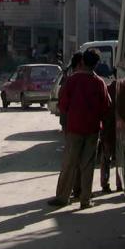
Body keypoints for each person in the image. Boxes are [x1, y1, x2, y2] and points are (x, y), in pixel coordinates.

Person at [49, 48, 110, 210]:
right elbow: (106, 106)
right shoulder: (99, 83)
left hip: (74, 128)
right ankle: (85, 200)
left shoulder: (72, 80)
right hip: (92, 129)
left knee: (69, 163)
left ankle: (62, 197)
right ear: (96, 64)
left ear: (82, 62)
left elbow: (62, 104)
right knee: (87, 164)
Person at [99, 78, 121, 193]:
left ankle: (105, 183)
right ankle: (120, 184)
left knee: (105, 159)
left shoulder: (107, 89)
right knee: (119, 159)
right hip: (120, 131)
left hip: (107, 130)